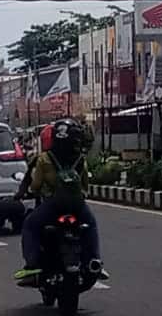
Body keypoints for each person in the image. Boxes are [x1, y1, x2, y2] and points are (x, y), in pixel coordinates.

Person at [14, 119, 105, 283]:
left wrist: (31, 192)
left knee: (29, 225)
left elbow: (35, 185)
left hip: (53, 205)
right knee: (90, 224)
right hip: (77, 206)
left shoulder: (44, 159)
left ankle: (32, 264)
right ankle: (95, 261)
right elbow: (85, 186)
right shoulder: (80, 159)